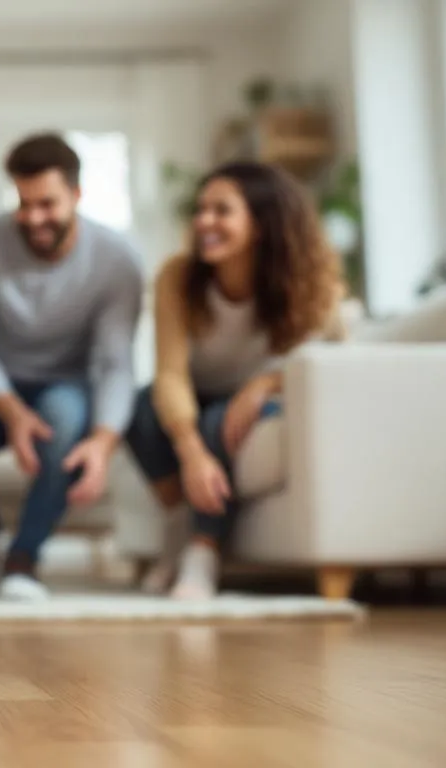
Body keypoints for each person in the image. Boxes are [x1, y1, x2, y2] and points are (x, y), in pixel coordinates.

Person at [124, 160, 346, 601]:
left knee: (218, 425)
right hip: (195, 391)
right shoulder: (178, 276)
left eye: (221, 211)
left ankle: (203, 554)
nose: (204, 221)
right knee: (140, 409)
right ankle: (179, 525)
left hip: (261, 400)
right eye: (201, 209)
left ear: (262, 224)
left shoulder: (313, 286)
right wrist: (190, 453)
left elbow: (330, 363)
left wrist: (264, 385)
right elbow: (170, 373)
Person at [0, 132, 145, 601]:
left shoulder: (117, 259)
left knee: (63, 421)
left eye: (48, 204)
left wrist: (103, 443)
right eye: (24, 204)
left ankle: (24, 559)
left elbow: (114, 364)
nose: (33, 218)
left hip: (67, 384)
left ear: (77, 195)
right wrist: (13, 413)